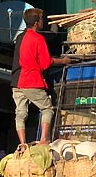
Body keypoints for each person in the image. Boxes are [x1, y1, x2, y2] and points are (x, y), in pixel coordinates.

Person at [12, 8, 71, 145]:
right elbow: (45, 63)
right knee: (47, 109)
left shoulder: (19, 38)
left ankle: (22, 144)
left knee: (20, 114)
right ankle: (44, 139)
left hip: (16, 82)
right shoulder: (38, 38)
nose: (43, 21)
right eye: (42, 19)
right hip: (31, 80)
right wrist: (62, 61)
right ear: (37, 23)